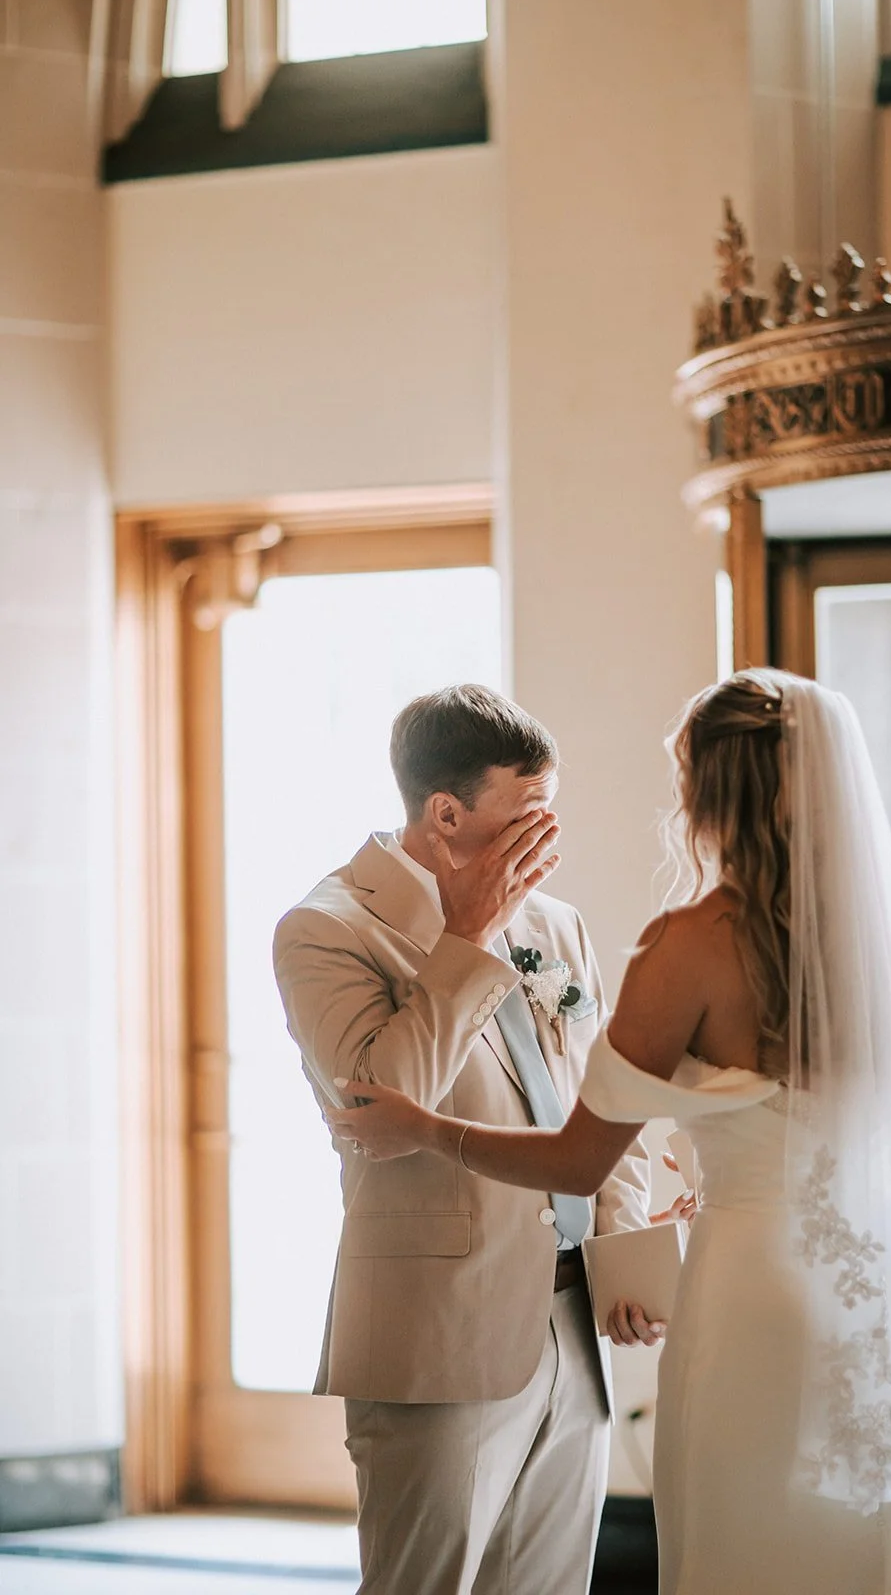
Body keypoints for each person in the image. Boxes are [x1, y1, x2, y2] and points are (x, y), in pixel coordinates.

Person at [328, 668, 891, 1595]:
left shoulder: (688, 941)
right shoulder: (859, 946)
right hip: (863, 1307)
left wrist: (431, 1131)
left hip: (750, 1297)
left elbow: (582, 1153)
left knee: (737, 1551)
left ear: (704, 791)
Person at [273, 683, 665, 1595]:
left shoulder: (555, 921)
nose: (547, 841)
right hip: (435, 1334)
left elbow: (604, 1097)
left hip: (575, 1329)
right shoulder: (326, 929)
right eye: (526, 816)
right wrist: (468, 934)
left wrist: (623, 1252)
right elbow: (385, 1105)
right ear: (446, 813)